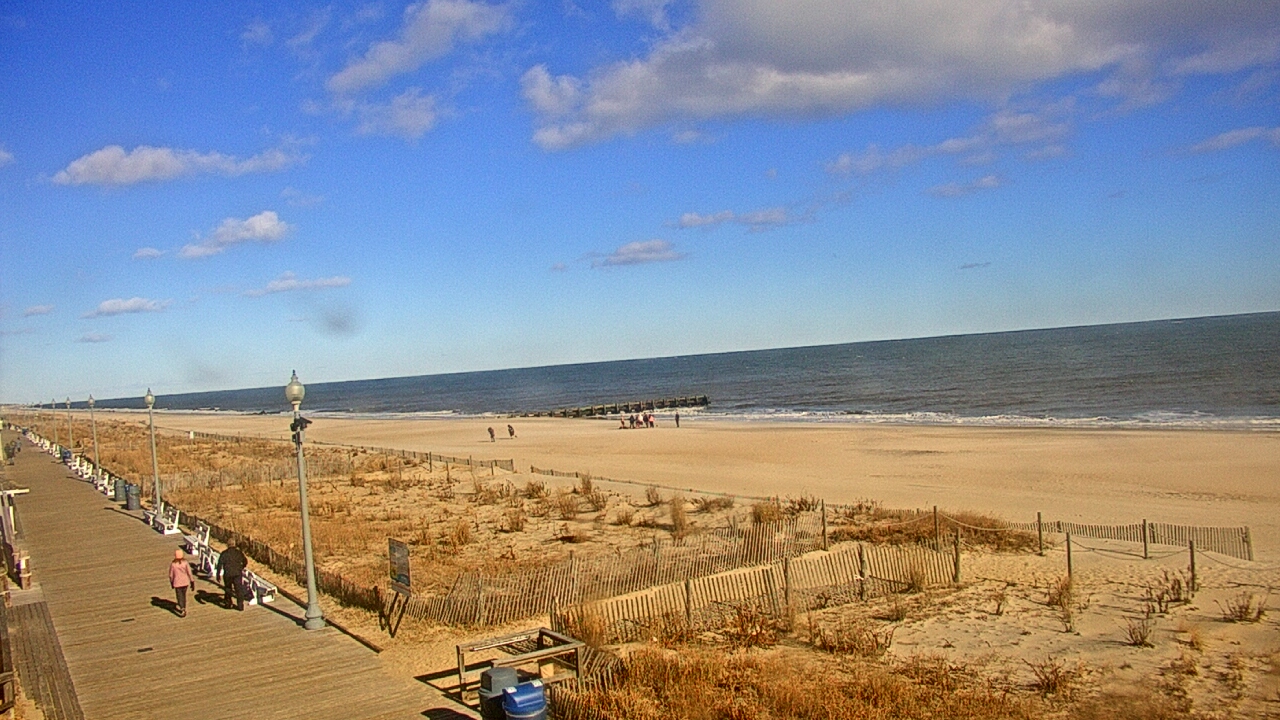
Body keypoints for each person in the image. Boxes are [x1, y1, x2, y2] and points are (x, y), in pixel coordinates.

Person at [216, 540, 249, 611]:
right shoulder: (238, 553)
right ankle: (240, 605)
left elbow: (219, 564)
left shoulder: (224, 553)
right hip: (237, 573)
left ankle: (228, 604)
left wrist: (218, 574)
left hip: (228, 573)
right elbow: (245, 561)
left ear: (227, 545)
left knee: (228, 588)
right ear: (234, 544)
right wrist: (241, 567)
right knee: (239, 589)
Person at [169, 548, 196, 617]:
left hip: (177, 583)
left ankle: (182, 608)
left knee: (179, 596)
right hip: (185, 582)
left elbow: (171, 575)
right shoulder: (185, 563)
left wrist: (171, 582)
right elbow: (189, 572)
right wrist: (192, 581)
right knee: (183, 595)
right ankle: (183, 606)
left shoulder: (173, 564)